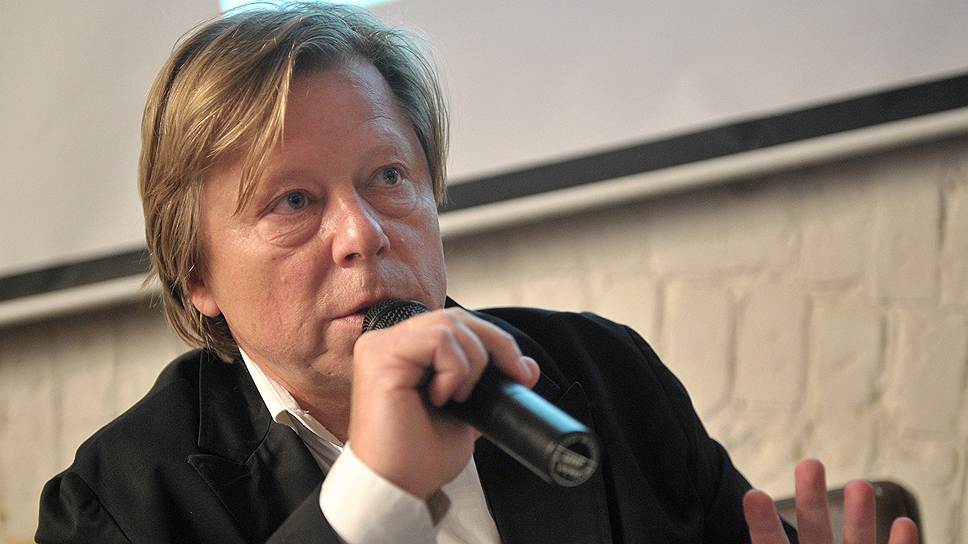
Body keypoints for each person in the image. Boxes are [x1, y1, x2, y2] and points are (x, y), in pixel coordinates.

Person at [37, 3, 919, 543]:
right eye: (293, 201)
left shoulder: (606, 381)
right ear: (195, 273)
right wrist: (375, 495)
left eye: (389, 178)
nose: (362, 234)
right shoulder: (117, 504)